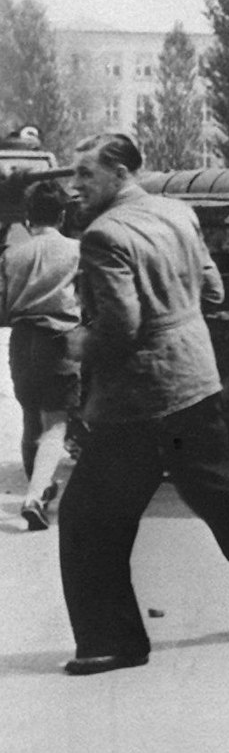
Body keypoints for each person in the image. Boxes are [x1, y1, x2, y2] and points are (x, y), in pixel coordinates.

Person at [56, 133, 229, 676]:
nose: (74, 187)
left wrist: (77, 342)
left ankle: (113, 643)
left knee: (87, 518)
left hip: (138, 399)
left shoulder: (104, 236)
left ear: (120, 173)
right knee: (214, 487)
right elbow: (213, 292)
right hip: (196, 378)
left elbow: (121, 327)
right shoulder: (176, 211)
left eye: (85, 175)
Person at [2, 179, 80, 530]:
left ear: (29, 217)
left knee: (31, 419)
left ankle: (42, 489)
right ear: (63, 214)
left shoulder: (13, 254)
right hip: (57, 340)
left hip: (21, 342)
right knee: (56, 425)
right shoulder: (75, 251)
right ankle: (34, 498)